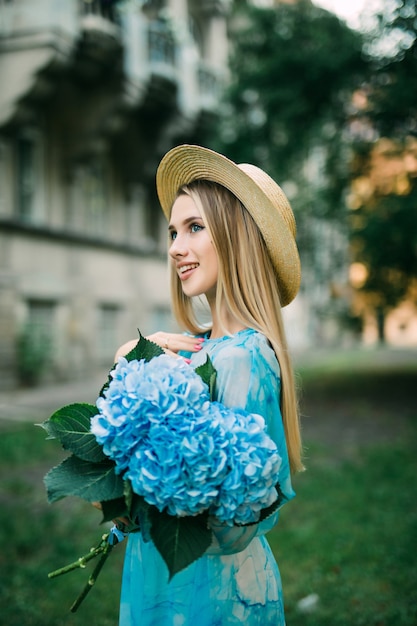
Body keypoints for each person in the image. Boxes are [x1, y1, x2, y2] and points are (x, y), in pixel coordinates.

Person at [114, 144, 303, 626]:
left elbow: (235, 527)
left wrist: (145, 489)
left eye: (195, 228)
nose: (176, 247)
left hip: (210, 597)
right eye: (174, 231)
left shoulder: (242, 358)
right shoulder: (191, 350)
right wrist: (126, 374)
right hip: (164, 579)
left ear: (238, 239)